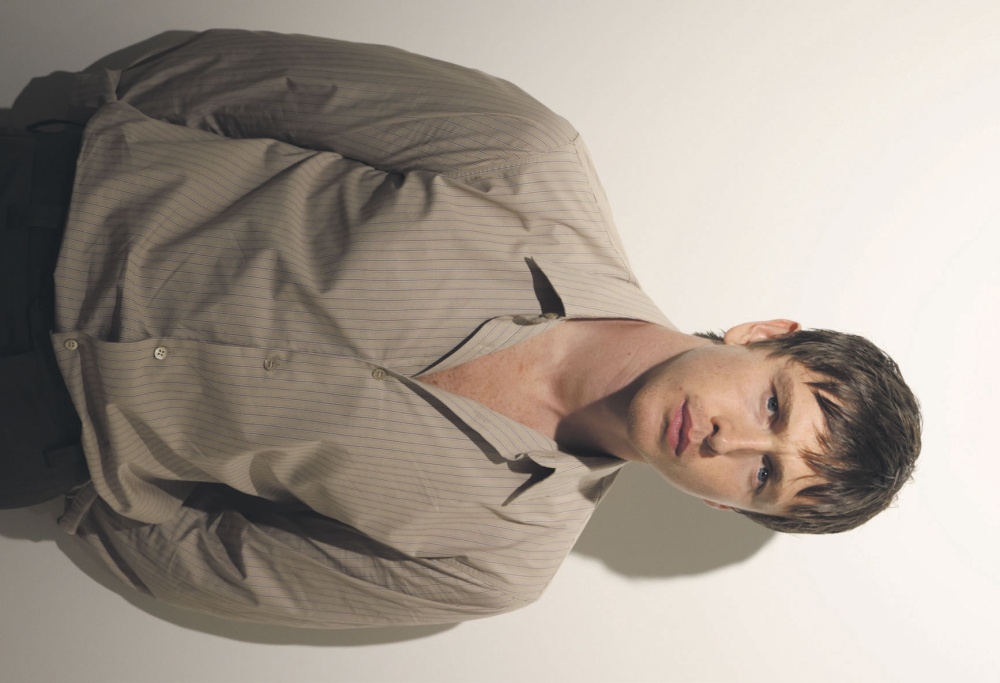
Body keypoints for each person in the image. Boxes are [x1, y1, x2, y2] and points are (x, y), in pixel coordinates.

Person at [0, 29, 921, 628]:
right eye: (774, 405)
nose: (731, 441)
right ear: (762, 333)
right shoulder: (529, 161)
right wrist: (55, 153)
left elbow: (225, 566)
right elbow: (256, 84)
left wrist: (64, 471)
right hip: (43, 206)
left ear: (723, 506)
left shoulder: (497, 563)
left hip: (34, 424)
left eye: (763, 476)